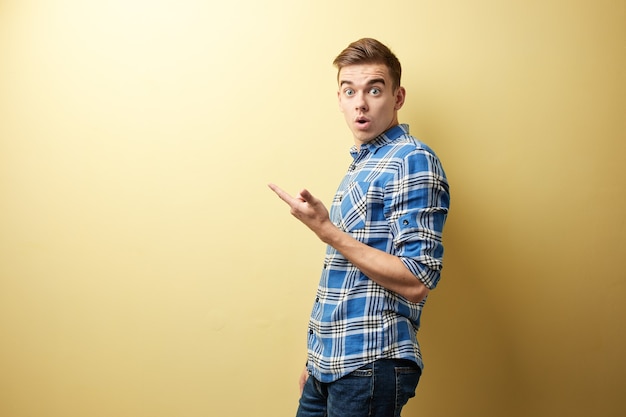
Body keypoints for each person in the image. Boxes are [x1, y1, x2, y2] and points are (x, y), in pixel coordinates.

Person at [268, 38, 450, 417]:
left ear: (398, 97)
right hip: (331, 363)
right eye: (349, 91)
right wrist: (317, 359)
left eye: (374, 90)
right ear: (339, 99)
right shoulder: (366, 164)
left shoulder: (411, 159)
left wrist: (326, 230)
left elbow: (417, 280)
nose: (360, 103)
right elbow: (347, 277)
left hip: (370, 361)